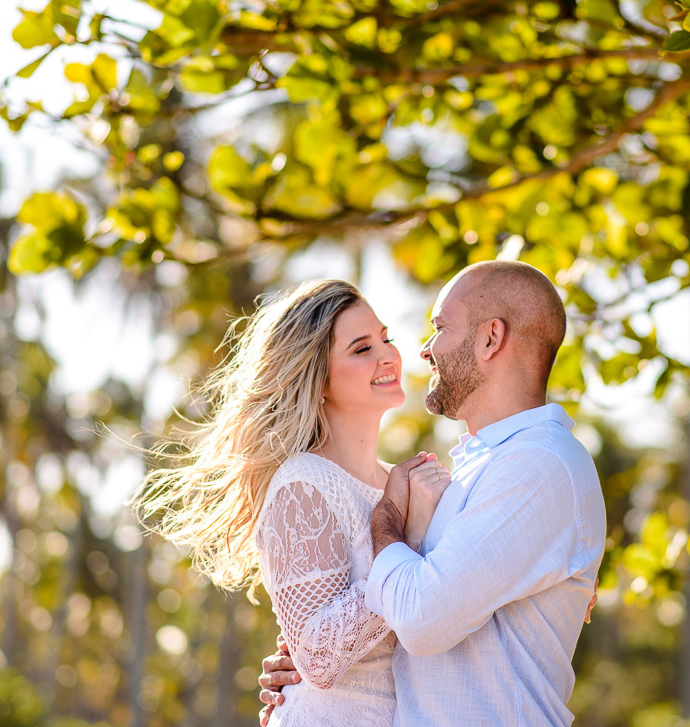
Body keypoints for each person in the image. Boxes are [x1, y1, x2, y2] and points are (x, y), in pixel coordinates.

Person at [260, 260, 607, 727]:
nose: (421, 350)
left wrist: (391, 526)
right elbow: (330, 640)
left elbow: (421, 612)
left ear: (490, 339)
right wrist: (305, 663)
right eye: (363, 347)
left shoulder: (536, 464)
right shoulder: (468, 471)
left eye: (440, 328)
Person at [134, 279, 450, 727]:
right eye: (361, 348)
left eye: (386, 338)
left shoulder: (400, 483)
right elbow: (318, 660)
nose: (387, 356)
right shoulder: (303, 483)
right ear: (317, 377)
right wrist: (408, 538)